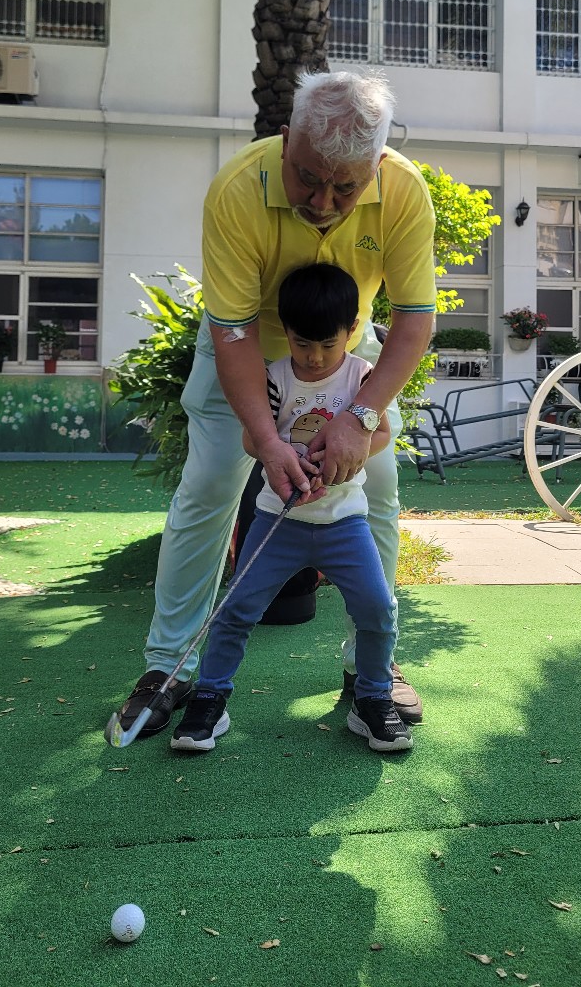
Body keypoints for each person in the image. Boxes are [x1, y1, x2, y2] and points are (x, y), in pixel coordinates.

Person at [112, 69, 436, 741]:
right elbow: (231, 334)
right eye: (308, 178)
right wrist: (265, 440)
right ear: (286, 141)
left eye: (345, 188)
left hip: (347, 351)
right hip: (244, 345)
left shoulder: (404, 190)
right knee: (210, 485)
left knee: (377, 488)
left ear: (377, 166)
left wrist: (359, 418)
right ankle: (168, 666)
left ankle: (370, 669)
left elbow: (413, 319)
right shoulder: (237, 189)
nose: (323, 202)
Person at [171, 262, 411, 754]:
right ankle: (209, 699)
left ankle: (372, 699)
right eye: (303, 344)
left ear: (352, 329)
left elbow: (382, 433)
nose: (315, 356)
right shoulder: (274, 377)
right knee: (237, 610)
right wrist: (281, 454)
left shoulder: (362, 376)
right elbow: (251, 438)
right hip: (277, 522)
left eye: (328, 343)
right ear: (285, 331)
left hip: (345, 522)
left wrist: (349, 451)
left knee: (377, 608)